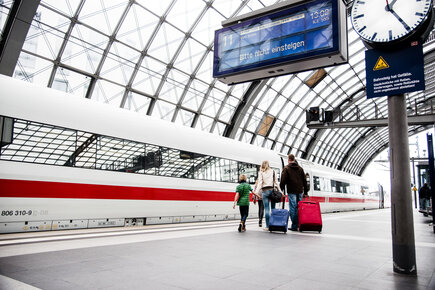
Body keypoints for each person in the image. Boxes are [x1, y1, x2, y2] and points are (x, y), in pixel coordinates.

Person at [280, 154, 308, 231]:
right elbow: (305, 181)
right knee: (299, 207)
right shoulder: (300, 169)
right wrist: (305, 192)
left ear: (288, 159)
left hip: (291, 191)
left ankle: (294, 225)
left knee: (293, 208)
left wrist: (280, 190)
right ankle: (299, 224)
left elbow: (283, 181)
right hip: (300, 191)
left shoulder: (286, 168)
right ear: (294, 159)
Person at [254, 160, 283, 231]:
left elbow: (260, 183)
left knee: (267, 209)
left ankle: (267, 226)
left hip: (265, 191)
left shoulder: (261, 172)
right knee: (273, 209)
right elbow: (276, 183)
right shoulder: (273, 171)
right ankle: (274, 224)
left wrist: (256, 193)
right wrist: (280, 192)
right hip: (272, 191)